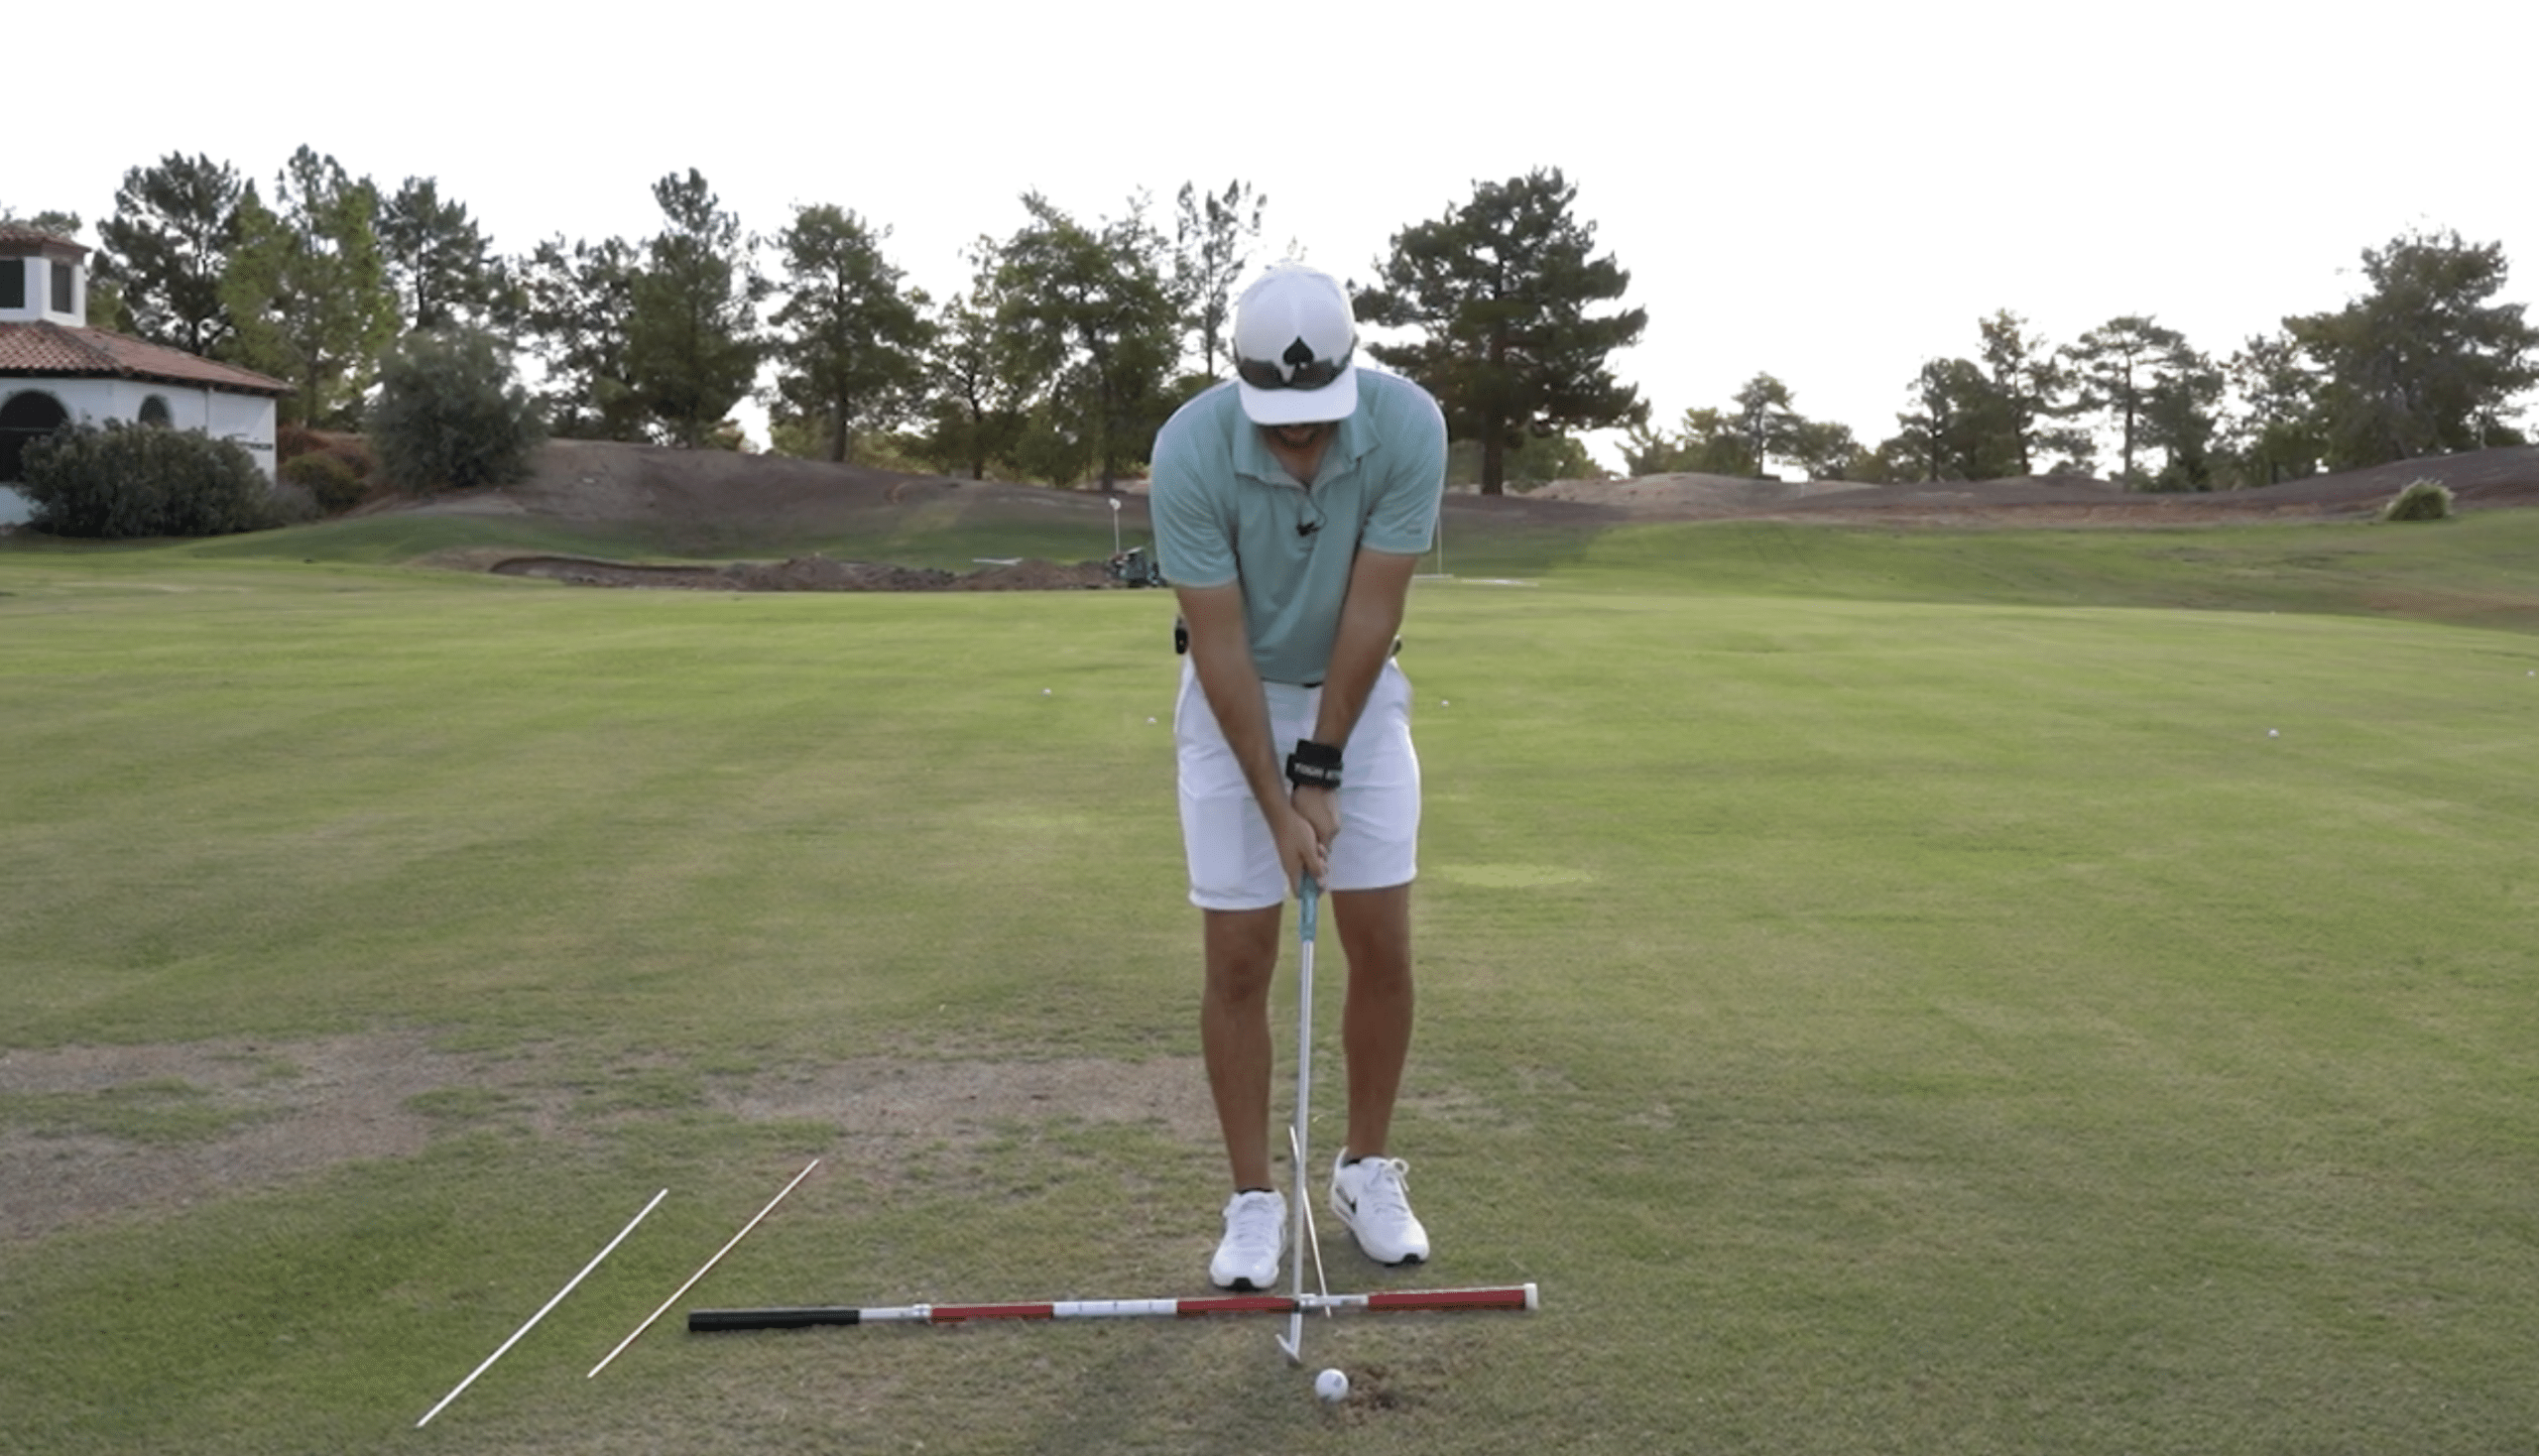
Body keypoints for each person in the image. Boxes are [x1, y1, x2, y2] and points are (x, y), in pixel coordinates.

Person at [1149, 261, 1447, 1290]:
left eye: (1315, 418)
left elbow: (1373, 609)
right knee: (1238, 957)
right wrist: (1276, 801)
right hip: (1232, 698)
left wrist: (1318, 768)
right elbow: (1220, 643)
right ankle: (1252, 1199)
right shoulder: (1189, 448)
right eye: (1279, 424)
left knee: (1382, 940)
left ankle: (1364, 1172)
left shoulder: (1408, 427)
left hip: (1356, 697)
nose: (1300, 438)